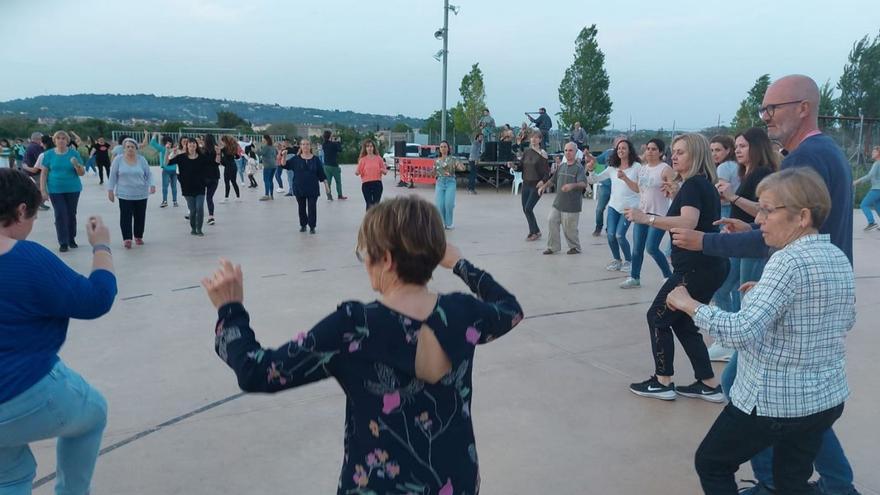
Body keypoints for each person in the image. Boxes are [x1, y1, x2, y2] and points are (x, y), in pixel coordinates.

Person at [202, 195, 522, 495]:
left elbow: (256, 371)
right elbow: (510, 309)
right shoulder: (463, 312)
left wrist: (230, 311)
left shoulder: (355, 325)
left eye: (364, 254)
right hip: (455, 479)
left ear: (385, 259)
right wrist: (460, 264)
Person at [670, 75, 857, 495]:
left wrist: (692, 288)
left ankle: (830, 485)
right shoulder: (828, 165)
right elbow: (846, 314)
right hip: (822, 368)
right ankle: (790, 483)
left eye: (773, 108)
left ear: (803, 107)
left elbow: (740, 328)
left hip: (787, 369)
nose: (765, 116)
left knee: (720, 452)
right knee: (799, 419)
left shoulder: (802, 167)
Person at [0, 168, 117, 495]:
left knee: (8, 476)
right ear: (21, 210)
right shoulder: (26, 258)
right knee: (92, 413)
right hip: (20, 388)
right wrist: (102, 247)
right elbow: (96, 300)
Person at [624, 133, 726, 403]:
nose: (674, 156)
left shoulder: (694, 184)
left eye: (681, 152)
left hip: (694, 270)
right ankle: (708, 383)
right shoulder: (700, 185)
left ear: (695, 155)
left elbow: (689, 222)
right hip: (708, 267)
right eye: (674, 152)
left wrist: (646, 218)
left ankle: (663, 381)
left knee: (657, 317)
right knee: (682, 323)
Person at [708, 128, 779, 362]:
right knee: (723, 286)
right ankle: (731, 339)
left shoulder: (763, 173)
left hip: (754, 241)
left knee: (744, 292)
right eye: (736, 146)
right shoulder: (747, 172)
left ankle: (739, 343)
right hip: (739, 240)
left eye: (743, 146)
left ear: (757, 147)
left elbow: (762, 210)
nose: (737, 150)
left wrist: (732, 197)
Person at [617, 138, 674, 288]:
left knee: (652, 247)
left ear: (661, 152)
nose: (650, 152)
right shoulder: (643, 168)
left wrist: (672, 189)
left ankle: (668, 276)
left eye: (654, 149)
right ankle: (634, 277)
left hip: (658, 214)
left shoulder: (665, 169)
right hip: (641, 214)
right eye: (648, 149)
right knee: (637, 249)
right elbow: (638, 189)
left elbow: (675, 189)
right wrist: (625, 179)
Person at [587, 139, 641, 272]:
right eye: (618, 149)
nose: (621, 151)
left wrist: (625, 178)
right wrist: (591, 170)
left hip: (629, 208)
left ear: (629, 151)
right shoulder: (612, 168)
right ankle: (617, 259)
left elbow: (638, 189)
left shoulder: (637, 167)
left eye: (624, 148)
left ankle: (629, 260)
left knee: (619, 235)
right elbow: (594, 179)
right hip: (613, 206)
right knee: (611, 235)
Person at [708, 135, 741, 315]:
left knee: (722, 284)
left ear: (728, 150)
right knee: (737, 283)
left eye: (718, 150)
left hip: (726, 212)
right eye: (712, 150)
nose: (714, 154)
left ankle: (728, 324)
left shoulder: (723, 168)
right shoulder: (738, 166)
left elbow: (721, 194)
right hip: (736, 212)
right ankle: (738, 315)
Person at [38, 131, 85, 252]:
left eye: (64, 138)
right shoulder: (48, 154)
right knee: (60, 214)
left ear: (67, 141)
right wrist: (43, 190)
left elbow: (81, 173)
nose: (61, 140)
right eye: (58, 138)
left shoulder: (74, 153)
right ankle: (63, 241)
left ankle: (71, 238)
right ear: (54, 140)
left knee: (71, 214)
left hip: (73, 189)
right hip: (55, 189)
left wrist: (77, 166)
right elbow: (44, 173)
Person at [538, 142, 587, 254]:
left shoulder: (578, 168)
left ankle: (575, 247)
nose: (568, 153)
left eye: (570, 150)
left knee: (569, 229)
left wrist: (572, 185)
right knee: (551, 220)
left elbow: (583, 183)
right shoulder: (561, 167)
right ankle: (553, 247)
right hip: (558, 203)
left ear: (575, 152)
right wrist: (543, 187)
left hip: (571, 205)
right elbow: (552, 180)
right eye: (566, 150)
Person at [106, 138, 155, 248]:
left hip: (141, 193)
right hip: (124, 194)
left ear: (136, 149)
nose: (130, 149)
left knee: (140, 216)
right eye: (127, 147)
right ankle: (127, 238)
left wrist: (152, 185)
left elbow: (149, 174)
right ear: (124, 148)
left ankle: (138, 236)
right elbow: (112, 176)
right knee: (125, 217)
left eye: (132, 147)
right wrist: (110, 190)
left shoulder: (142, 160)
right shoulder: (118, 160)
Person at [168, 137, 212, 236]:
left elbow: (213, 164)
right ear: (186, 146)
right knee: (193, 211)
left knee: (200, 207)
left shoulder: (202, 157)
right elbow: (166, 163)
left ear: (196, 146)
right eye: (190, 145)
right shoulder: (181, 157)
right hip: (187, 188)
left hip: (200, 187)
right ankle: (193, 228)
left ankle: (199, 229)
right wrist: (170, 153)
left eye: (194, 144)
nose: (192, 146)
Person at [511, 131, 550, 240]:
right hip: (526, 184)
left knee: (528, 208)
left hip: (536, 185)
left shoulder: (543, 153)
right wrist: (514, 166)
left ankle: (534, 232)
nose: (533, 139)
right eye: (532, 137)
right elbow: (520, 167)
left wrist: (543, 181)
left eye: (536, 138)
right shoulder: (527, 152)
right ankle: (535, 231)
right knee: (525, 209)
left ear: (540, 140)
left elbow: (547, 172)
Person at [288, 138, 326, 234]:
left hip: (312, 188)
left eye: (307, 144)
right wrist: (283, 156)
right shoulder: (295, 159)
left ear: (310, 146)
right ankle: (303, 225)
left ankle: (312, 226)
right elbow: (284, 165)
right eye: (303, 144)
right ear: (300, 146)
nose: (305, 146)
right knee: (301, 207)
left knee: (312, 207)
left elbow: (321, 173)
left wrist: (326, 185)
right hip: (299, 187)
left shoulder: (316, 159)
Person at [591, 136, 626, 237]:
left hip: (619, 188)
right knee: (599, 209)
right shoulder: (608, 153)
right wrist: (596, 170)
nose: (620, 147)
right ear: (614, 145)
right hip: (606, 186)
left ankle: (610, 228)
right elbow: (597, 161)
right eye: (618, 144)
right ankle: (598, 227)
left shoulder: (627, 158)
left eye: (623, 144)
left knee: (615, 209)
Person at [433, 140, 465, 230]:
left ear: (448, 148)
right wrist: (425, 172)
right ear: (439, 149)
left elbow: (462, 168)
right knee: (440, 204)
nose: (443, 148)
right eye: (441, 147)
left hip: (450, 182)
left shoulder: (453, 159)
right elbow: (433, 172)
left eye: (445, 147)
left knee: (449, 204)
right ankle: (442, 223)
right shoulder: (436, 161)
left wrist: (460, 165)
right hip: (440, 182)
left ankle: (449, 223)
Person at [355, 138, 387, 209]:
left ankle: (376, 219)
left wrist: (381, 169)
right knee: (369, 204)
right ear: (365, 148)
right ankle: (369, 219)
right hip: (366, 185)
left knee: (376, 205)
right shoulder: (362, 160)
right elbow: (357, 172)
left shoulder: (379, 158)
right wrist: (358, 172)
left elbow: (385, 172)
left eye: (371, 146)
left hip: (377, 184)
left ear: (373, 148)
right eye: (367, 146)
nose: (369, 148)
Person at [21, 132, 49, 211]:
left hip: (30, 170)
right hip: (33, 172)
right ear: (38, 139)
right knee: (42, 188)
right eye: (42, 139)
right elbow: (41, 159)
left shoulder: (31, 146)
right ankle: (39, 204)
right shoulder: (35, 147)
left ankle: (39, 203)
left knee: (40, 188)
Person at [854, 145, 880, 231]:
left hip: (876, 189)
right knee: (877, 206)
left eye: (874, 152)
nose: (872, 153)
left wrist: (857, 181)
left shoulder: (877, 163)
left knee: (864, 204)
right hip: (878, 189)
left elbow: (870, 176)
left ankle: (871, 222)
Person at [202, 134, 221, 225]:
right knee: (209, 197)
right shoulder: (216, 149)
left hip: (204, 176)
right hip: (214, 176)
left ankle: (195, 213)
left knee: (200, 196)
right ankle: (211, 216)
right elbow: (217, 163)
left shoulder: (202, 150)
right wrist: (218, 153)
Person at [321, 131, 346, 201]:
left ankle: (329, 196)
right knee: (338, 182)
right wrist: (338, 142)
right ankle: (340, 195)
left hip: (326, 166)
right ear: (330, 136)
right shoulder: (334, 144)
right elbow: (340, 150)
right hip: (334, 166)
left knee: (328, 182)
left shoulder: (324, 144)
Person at [157, 136, 180, 208]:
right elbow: (152, 143)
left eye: (170, 143)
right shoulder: (163, 149)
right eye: (167, 143)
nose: (168, 144)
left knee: (174, 187)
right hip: (166, 170)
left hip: (173, 170)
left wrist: (174, 150)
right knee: (165, 186)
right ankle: (165, 201)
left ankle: (175, 201)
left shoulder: (174, 150)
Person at [220, 135, 241, 203]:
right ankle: (238, 197)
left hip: (228, 167)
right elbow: (238, 157)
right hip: (234, 166)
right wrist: (232, 157)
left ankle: (226, 198)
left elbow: (221, 159)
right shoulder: (233, 148)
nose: (222, 143)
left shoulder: (224, 149)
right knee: (234, 182)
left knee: (227, 182)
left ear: (225, 141)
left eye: (222, 141)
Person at [258, 135, 277, 200]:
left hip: (268, 165)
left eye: (262, 138)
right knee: (270, 180)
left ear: (265, 139)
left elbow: (260, 153)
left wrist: (256, 149)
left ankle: (266, 195)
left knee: (266, 180)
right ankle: (271, 195)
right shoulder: (273, 147)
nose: (262, 139)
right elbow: (276, 154)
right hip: (274, 165)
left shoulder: (266, 147)